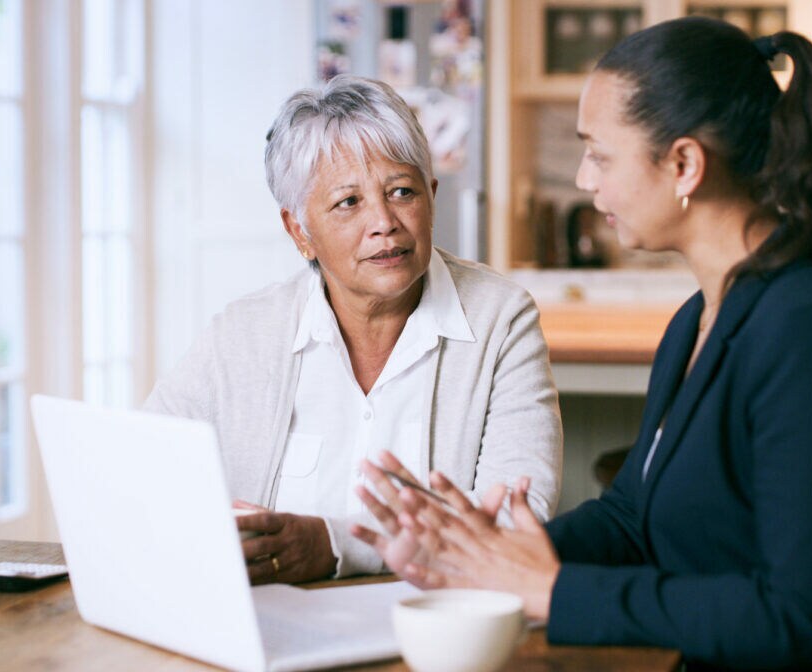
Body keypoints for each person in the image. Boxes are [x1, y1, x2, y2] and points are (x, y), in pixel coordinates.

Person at [354, 17, 812, 671]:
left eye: (600, 155)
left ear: (685, 164)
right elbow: (633, 514)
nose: (584, 178)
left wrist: (553, 591)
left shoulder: (805, 330)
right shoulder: (698, 318)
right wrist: (491, 553)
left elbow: (799, 614)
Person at [144, 75, 562, 584]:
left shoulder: (501, 319)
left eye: (402, 192)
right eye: (349, 202)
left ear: (431, 198)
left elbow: (519, 513)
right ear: (299, 230)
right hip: (271, 619)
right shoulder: (243, 334)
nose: (384, 221)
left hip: (436, 617)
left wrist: (335, 545)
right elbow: (146, 468)